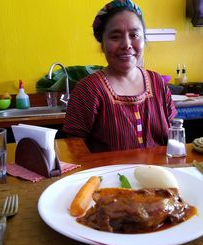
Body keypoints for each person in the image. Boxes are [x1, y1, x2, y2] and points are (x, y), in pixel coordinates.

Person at [62, 0, 177, 152]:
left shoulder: (157, 82)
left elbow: (175, 136)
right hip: (108, 175)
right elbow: (74, 148)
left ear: (144, 39)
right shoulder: (88, 90)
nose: (126, 44)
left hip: (157, 174)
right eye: (115, 37)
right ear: (102, 44)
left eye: (134, 35)